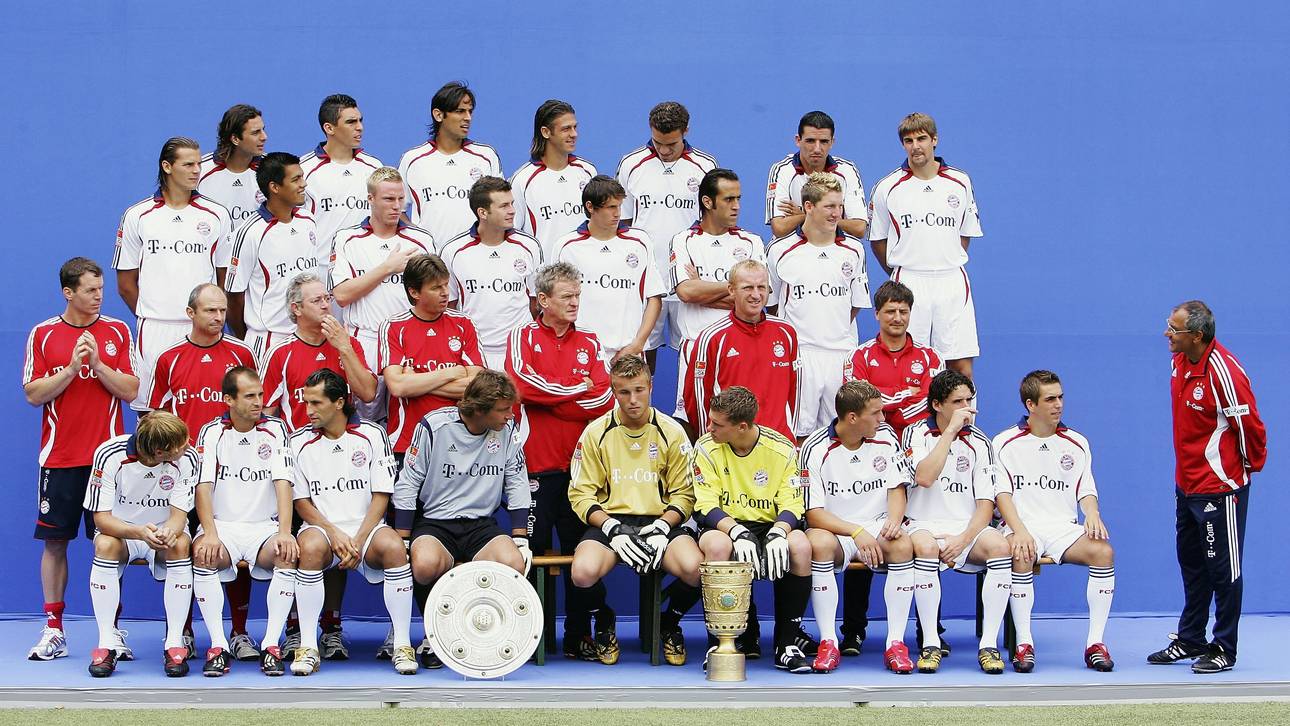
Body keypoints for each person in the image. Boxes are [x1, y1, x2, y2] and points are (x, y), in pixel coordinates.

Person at [23, 257, 138, 661]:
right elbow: (34, 394)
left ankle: (112, 631)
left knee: (109, 542)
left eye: (101, 289)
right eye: (89, 290)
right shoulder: (43, 335)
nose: (98, 296)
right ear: (68, 292)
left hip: (107, 461)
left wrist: (98, 365)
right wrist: (72, 368)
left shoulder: (116, 331)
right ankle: (53, 629)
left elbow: (129, 389)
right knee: (55, 542)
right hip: (59, 458)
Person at [1147, 301, 1265, 674]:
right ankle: (1192, 637)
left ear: (1197, 335)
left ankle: (1224, 647)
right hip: (1187, 485)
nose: (1167, 333)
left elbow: (1250, 427)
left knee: (1223, 570)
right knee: (1192, 564)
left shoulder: (1224, 373)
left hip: (1220, 487)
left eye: (1174, 328)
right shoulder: (1179, 362)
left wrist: (1243, 470)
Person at [505, 261, 615, 659]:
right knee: (531, 553)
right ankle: (529, 633)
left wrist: (554, 400)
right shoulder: (522, 335)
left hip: (581, 471)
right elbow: (521, 385)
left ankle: (577, 634)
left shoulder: (589, 340)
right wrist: (575, 391)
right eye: (567, 296)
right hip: (535, 467)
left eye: (578, 295)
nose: (575, 303)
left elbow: (603, 398)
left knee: (578, 553)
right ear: (543, 300)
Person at [569, 355, 702, 666]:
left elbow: (685, 493)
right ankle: (604, 620)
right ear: (614, 392)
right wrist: (612, 529)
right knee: (582, 572)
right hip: (611, 522)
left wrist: (663, 527)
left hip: (660, 521)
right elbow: (580, 493)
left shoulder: (672, 431)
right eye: (624, 392)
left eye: (639, 390)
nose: (633, 400)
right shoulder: (595, 432)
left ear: (651, 387)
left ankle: (669, 622)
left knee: (697, 569)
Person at [393, 369, 531, 668]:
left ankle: (488, 635)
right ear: (480, 409)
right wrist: (403, 537)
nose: (510, 415)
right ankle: (435, 634)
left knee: (513, 563)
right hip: (435, 522)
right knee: (425, 565)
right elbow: (409, 480)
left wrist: (520, 537)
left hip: (482, 524)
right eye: (503, 409)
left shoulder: (507, 430)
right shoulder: (435, 425)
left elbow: (517, 480)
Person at [839, 279, 942, 655]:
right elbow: (857, 404)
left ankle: (931, 631)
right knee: (866, 534)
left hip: (919, 454)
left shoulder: (931, 358)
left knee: (921, 541)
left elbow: (935, 406)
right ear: (877, 314)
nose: (897, 318)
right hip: (872, 456)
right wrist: (902, 405)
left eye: (903, 311)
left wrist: (887, 405)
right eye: (890, 311)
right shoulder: (859, 357)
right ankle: (853, 630)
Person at [289, 369, 415, 676]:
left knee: (394, 547)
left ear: (339, 403)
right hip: (322, 530)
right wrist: (334, 533)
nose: (308, 411)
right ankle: (307, 646)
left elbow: (381, 495)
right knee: (308, 546)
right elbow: (302, 503)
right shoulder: (298, 441)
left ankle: (401, 643)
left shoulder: (372, 435)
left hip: (366, 530)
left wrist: (358, 539)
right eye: (307, 403)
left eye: (316, 403)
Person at [992, 370, 1116, 673]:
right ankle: (1023, 644)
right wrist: (1019, 530)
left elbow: (1085, 490)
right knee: (1020, 553)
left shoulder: (1077, 442)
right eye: (1050, 399)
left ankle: (1095, 644)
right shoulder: (1005, 442)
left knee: (1103, 552)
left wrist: (1092, 514)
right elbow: (1001, 495)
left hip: (1062, 527)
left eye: (1060, 397)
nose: (1058, 404)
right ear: (1030, 404)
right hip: (1020, 526)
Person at [692, 386, 815, 673]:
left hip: (771, 524)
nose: (709, 428)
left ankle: (786, 643)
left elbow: (793, 502)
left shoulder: (782, 448)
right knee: (717, 546)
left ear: (742, 426)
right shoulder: (706, 447)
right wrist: (737, 532)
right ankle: (723, 641)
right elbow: (703, 505)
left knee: (800, 545)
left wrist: (778, 532)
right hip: (725, 525)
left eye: (717, 424)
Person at [901, 370, 1011, 674]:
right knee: (923, 546)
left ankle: (988, 645)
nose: (968, 408)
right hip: (922, 524)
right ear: (937, 404)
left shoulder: (981, 442)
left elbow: (985, 504)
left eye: (970, 400)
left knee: (1000, 547)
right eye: (958, 401)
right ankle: (931, 644)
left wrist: (963, 539)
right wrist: (949, 433)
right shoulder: (914, 434)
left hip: (965, 529)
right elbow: (923, 477)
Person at [802, 381, 917, 674]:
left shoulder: (887, 438)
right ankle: (828, 640)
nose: (883, 419)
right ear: (852, 417)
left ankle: (895, 643)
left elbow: (896, 488)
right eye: (876, 413)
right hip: (837, 530)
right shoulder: (815, 449)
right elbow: (813, 514)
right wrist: (855, 531)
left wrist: (894, 520)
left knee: (903, 544)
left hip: (878, 526)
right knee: (817, 544)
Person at [190, 367, 298, 677]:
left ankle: (271, 645)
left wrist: (285, 532)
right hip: (223, 527)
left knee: (285, 554)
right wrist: (209, 532)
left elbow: (283, 483)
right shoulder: (212, 433)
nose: (259, 402)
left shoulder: (276, 429)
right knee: (203, 553)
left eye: (261, 395)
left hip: (263, 528)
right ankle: (218, 645)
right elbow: (203, 486)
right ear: (229, 400)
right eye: (250, 396)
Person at [115, 136, 233, 412]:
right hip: (155, 328)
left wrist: (207, 319)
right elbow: (125, 284)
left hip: (204, 332)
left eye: (198, 164)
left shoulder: (216, 214)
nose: (196, 170)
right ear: (167, 167)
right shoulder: (138, 215)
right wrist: (152, 312)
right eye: (188, 164)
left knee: (208, 409)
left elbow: (224, 277)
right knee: (153, 416)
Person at [83, 412, 199, 677]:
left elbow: (179, 515)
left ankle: (174, 644)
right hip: (125, 532)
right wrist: (137, 532)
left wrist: (168, 532)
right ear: (160, 452)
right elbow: (101, 518)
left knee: (180, 544)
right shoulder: (110, 454)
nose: (188, 445)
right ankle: (106, 643)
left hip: (164, 532)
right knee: (105, 545)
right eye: (181, 444)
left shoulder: (188, 458)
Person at [868, 113, 982, 378]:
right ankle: (909, 420)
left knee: (959, 364)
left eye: (921, 139)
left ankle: (963, 421)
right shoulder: (888, 187)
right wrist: (901, 277)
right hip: (909, 279)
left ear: (934, 140)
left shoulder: (959, 182)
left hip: (951, 280)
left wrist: (944, 259)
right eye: (908, 141)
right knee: (907, 360)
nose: (915, 146)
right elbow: (877, 240)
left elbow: (964, 235)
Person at [766, 172, 869, 440]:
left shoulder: (854, 251)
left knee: (842, 433)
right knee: (798, 433)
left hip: (842, 354)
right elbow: (772, 306)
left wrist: (832, 332)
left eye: (839, 206)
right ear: (809, 207)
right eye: (830, 206)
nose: (837, 213)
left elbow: (854, 304)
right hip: (801, 355)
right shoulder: (780, 251)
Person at [330, 166, 435, 421]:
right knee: (365, 421)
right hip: (365, 341)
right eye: (389, 199)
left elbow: (434, 296)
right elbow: (342, 295)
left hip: (410, 343)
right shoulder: (348, 239)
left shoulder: (422, 241)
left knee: (413, 420)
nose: (397, 206)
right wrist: (388, 267)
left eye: (401, 199)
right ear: (371, 199)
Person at [615, 101, 718, 359]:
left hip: (689, 280)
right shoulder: (631, 164)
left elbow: (713, 222)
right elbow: (622, 223)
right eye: (657, 142)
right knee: (639, 356)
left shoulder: (705, 166)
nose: (663, 150)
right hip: (646, 279)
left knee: (697, 354)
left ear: (686, 131)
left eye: (671, 144)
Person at [668, 169, 765, 435]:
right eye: (729, 199)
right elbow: (686, 292)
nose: (737, 206)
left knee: (744, 424)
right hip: (696, 348)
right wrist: (736, 290)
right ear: (708, 202)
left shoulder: (752, 242)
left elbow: (756, 301)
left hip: (741, 348)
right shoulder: (684, 240)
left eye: (738, 199)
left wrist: (705, 289)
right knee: (695, 426)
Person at [378, 253, 484, 460]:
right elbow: (398, 387)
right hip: (408, 442)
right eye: (436, 288)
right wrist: (452, 372)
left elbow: (476, 387)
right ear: (414, 292)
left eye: (446, 285)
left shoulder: (464, 324)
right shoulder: (393, 327)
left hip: (459, 440)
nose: (446, 293)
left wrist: (415, 381)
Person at [683, 259, 799, 441]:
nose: (756, 295)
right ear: (731, 290)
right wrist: (710, 442)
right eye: (747, 288)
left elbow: (794, 395)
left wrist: (788, 438)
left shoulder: (787, 333)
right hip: (730, 447)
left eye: (762, 287)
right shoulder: (712, 338)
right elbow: (697, 400)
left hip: (778, 444)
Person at [554, 175, 665, 363]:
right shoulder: (567, 246)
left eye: (620, 206)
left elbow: (654, 298)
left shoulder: (640, 242)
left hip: (630, 352)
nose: (618, 213)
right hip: (580, 353)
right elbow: (555, 302)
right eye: (611, 207)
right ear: (590, 207)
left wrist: (637, 345)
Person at [438, 175, 543, 369]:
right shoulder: (453, 251)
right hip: (473, 352)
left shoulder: (529, 246)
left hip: (520, 350)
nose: (512, 211)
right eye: (504, 206)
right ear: (482, 213)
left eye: (512, 203)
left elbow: (536, 304)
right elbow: (448, 307)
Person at [224, 151, 320, 361]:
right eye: (296, 179)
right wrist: (249, 337)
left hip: (309, 337)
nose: (303, 184)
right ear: (275, 187)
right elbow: (233, 296)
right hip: (268, 341)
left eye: (302, 177)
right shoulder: (249, 233)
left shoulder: (308, 220)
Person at [262, 273, 377, 431]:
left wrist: (344, 349)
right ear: (296, 308)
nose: (325, 305)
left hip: (345, 443)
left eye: (327, 298)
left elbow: (368, 394)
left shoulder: (349, 344)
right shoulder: (279, 353)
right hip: (299, 446)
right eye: (317, 300)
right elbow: (265, 412)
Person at [398, 81, 503, 246]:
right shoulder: (412, 160)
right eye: (460, 111)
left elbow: (501, 206)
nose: (467, 118)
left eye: (470, 111)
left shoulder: (486, 156)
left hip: (475, 258)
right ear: (438, 115)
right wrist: (420, 241)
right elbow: (396, 210)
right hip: (430, 263)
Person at [146, 284, 256, 441]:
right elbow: (160, 413)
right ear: (191, 312)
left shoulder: (242, 353)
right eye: (210, 310)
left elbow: (256, 404)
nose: (219, 317)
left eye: (223, 310)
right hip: (185, 454)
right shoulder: (168, 358)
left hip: (233, 451)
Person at [510, 100, 597, 260]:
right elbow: (511, 235)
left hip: (585, 275)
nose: (574, 134)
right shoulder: (522, 180)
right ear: (545, 132)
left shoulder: (588, 172)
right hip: (545, 279)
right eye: (566, 129)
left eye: (575, 127)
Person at [301, 94, 382, 257]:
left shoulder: (375, 168)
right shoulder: (303, 169)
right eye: (351, 122)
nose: (360, 127)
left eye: (360, 120)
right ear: (329, 128)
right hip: (320, 274)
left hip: (366, 271)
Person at [765, 111, 867, 239]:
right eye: (810, 141)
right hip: (792, 251)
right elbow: (779, 228)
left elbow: (859, 228)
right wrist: (827, 216)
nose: (817, 149)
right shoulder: (782, 170)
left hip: (836, 252)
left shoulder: (847, 170)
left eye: (824, 141)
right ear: (798, 140)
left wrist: (805, 215)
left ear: (832, 142)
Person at [199, 104, 268, 225]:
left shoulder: (273, 169)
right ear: (235, 139)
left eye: (263, 129)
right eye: (256, 133)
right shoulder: (199, 171)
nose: (264, 137)